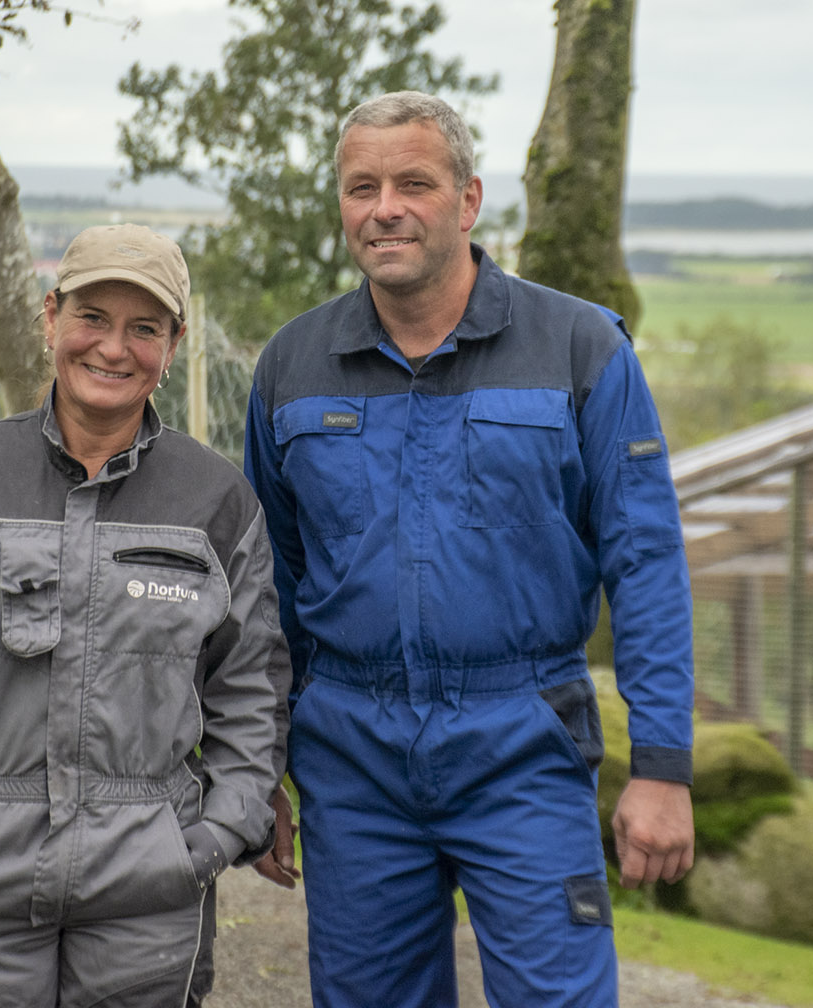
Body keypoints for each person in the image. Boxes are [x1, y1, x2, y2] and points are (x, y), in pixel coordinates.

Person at [242, 91, 696, 1008]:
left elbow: (646, 566)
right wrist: (259, 769)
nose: (385, 208)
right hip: (353, 757)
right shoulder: (292, 367)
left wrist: (661, 767)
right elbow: (267, 593)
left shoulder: (580, 349)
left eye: (415, 182)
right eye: (361, 187)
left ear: (469, 199)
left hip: (523, 741)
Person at [0, 223, 291, 1007]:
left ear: (174, 343)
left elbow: (251, 688)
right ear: (50, 316)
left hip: (149, 881)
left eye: (143, 329)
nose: (113, 349)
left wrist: (213, 838)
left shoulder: (218, 503)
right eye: (92, 317)